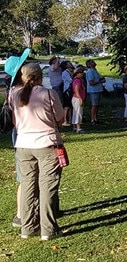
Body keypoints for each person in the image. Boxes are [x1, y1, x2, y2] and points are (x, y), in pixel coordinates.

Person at [11, 63, 65, 240]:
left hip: (23, 145)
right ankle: (48, 229)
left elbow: (14, 121)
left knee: (28, 185)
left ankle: (27, 227)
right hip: (47, 144)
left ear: (23, 77)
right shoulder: (49, 93)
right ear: (41, 76)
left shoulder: (15, 95)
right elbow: (60, 118)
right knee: (47, 186)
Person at [4, 48, 31, 229]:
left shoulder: (16, 90)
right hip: (22, 136)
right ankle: (21, 215)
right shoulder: (18, 92)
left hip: (22, 135)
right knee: (24, 177)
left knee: (27, 176)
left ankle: (27, 211)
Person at [85, 59, 105, 124]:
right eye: (92, 62)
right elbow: (91, 82)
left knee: (97, 105)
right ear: (89, 65)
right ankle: (92, 119)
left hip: (98, 90)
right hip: (93, 91)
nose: (94, 63)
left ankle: (96, 118)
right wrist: (100, 81)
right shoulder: (90, 71)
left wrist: (102, 78)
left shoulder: (95, 70)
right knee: (94, 105)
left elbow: (99, 77)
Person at [71, 66, 86, 133]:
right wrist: (80, 99)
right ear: (77, 73)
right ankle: (78, 127)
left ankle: (74, 127)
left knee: (75, 112)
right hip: (77, 98)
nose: (82, 74)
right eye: (81, 73)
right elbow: (77, 90)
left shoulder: (76, 80)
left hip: (76, 98)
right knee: (78, 112)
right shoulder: (77, 80)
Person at [60, 61, 74, 126]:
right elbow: (70, 80)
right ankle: (65, 120)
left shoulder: (70, 71)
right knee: (67, 106)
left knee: (71, 106)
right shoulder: (65, 73)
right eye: (68, 63)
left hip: (71, 90)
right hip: (67, 90)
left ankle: (71, 119)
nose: (70, 63)